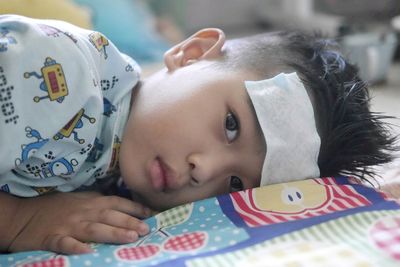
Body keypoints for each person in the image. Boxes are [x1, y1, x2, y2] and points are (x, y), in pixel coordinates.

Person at [0, 14, 397, 254]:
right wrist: (18, 220)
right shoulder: (60, 77)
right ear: (193, 54)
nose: (203, 172)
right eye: (231, 125)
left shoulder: (122, 161)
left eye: (236, 183)